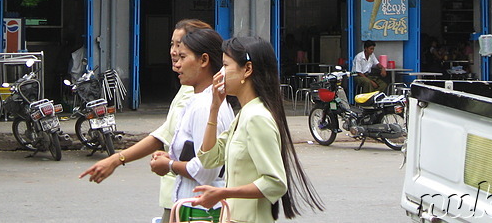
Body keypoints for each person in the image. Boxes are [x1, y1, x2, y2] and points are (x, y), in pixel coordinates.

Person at [80, 19, 213, 221]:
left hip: (191, 200)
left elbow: (204, 165)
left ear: (203, 58)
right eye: (172, 44)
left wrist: (166, 164)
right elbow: (168, 133)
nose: (174, 52)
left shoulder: (202, 100)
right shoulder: (192, 91)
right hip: (182, 195)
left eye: (181, 47)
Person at [193, 36, 324, 222]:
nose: (219, 73)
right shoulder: (245, 114)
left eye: (226, 65)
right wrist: (214, 108)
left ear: (247, 69)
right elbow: (208, 158)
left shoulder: (257, 118)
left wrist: (223, 192)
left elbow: (275, 182)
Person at [149, 28, 235, 223]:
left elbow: (206, 170)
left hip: (202, 211)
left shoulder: (206, 106)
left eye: (183, 57)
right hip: (195, 206)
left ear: (204, 60)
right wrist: (171, 156)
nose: (177, 64)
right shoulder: (198, 100)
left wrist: (170, 164)